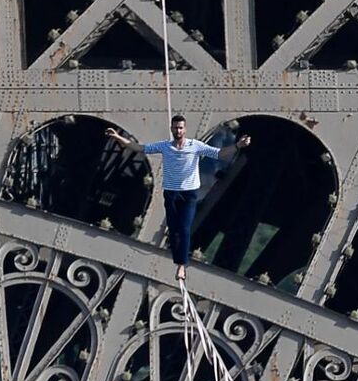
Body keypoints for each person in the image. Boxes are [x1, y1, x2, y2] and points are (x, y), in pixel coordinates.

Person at [106, 116, 251, 281]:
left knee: (183, 229)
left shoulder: (194, 146)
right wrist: (118, 138)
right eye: (175, 128)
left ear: (185, 129)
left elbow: (218, 153)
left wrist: (238, 145)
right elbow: (140, 147)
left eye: (180, 128)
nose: (178, 131)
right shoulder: (166, 146)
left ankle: (180, 267)